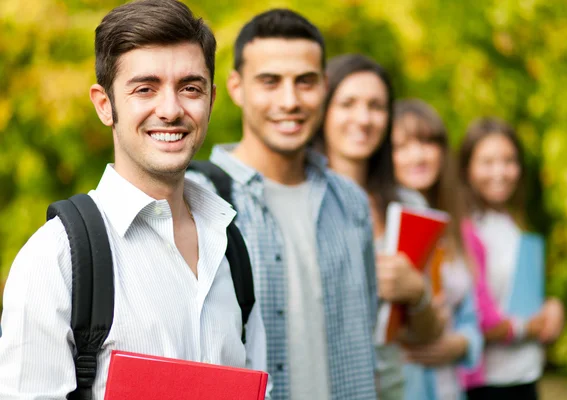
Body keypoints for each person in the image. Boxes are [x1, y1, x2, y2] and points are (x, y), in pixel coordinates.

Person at [0, 1, 267, 398]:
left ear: (211, 100)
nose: (171, 109)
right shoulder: (54, 259)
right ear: (105, 105)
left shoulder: (230, 248)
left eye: (189, 88)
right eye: (145, 88)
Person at [186, 9, 425, 400]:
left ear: (325, 87)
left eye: (305, 82)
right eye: (270, 81)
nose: (290, 100)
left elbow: (368, 340)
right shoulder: (196, 199)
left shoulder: (349, 201)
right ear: (235, 87)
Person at [313, 54, 444, 399]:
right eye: (348, 104)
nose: (363, 118)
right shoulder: (299, 199)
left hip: (391, 389)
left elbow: (427, 334)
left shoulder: (410, 206)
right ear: (323, 111)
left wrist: (415, 292)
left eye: (376, 106)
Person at [459, 117, 564, 400]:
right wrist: (525, 328)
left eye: (509, 161)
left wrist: (551, 307)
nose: (500, 172)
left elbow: (521, 299)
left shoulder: (516, 225)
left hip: (527, 375)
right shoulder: (464, 229)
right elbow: (473, 318)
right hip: (487, 383)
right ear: (467, 168)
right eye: (487, 161)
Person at [391, 100, 483, 400]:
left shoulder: (453, 223)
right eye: (401, 147)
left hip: (449, 388)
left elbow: (470, 317)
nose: (417, 155)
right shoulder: (379, 226)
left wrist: (462, 344)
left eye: (428, 142)